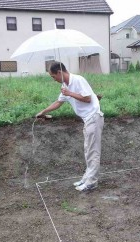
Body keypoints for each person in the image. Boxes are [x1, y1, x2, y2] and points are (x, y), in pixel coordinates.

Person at [36, 62, 104, 192]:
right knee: (87, 150)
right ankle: (86, 178)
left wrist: (69, 93)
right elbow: (58, 102)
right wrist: (43, 112)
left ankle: (91, 182)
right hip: (87, 120)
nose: (53, 79)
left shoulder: (78, 80)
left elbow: (88, 98)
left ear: (59, 73)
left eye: (53, 76)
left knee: (93, 151)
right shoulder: (65, 86)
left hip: (94, 117)